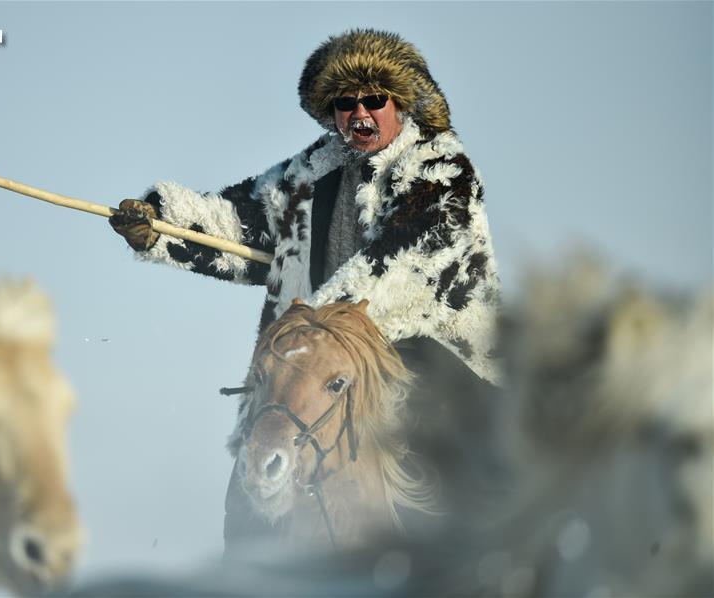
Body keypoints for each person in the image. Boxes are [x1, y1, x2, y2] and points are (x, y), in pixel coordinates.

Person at [110, 28, 501, 548]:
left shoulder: (441, 171)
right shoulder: (309, 173)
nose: (358, 113)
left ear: (400, 104)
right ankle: (249, 578)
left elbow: (402, 262)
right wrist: (160, 225)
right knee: (258, 461)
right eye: (344, 103)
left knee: (464, 471)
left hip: (423, 355)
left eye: (374, 100)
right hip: (315, 357)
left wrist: (315, 331)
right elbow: (241, 221)